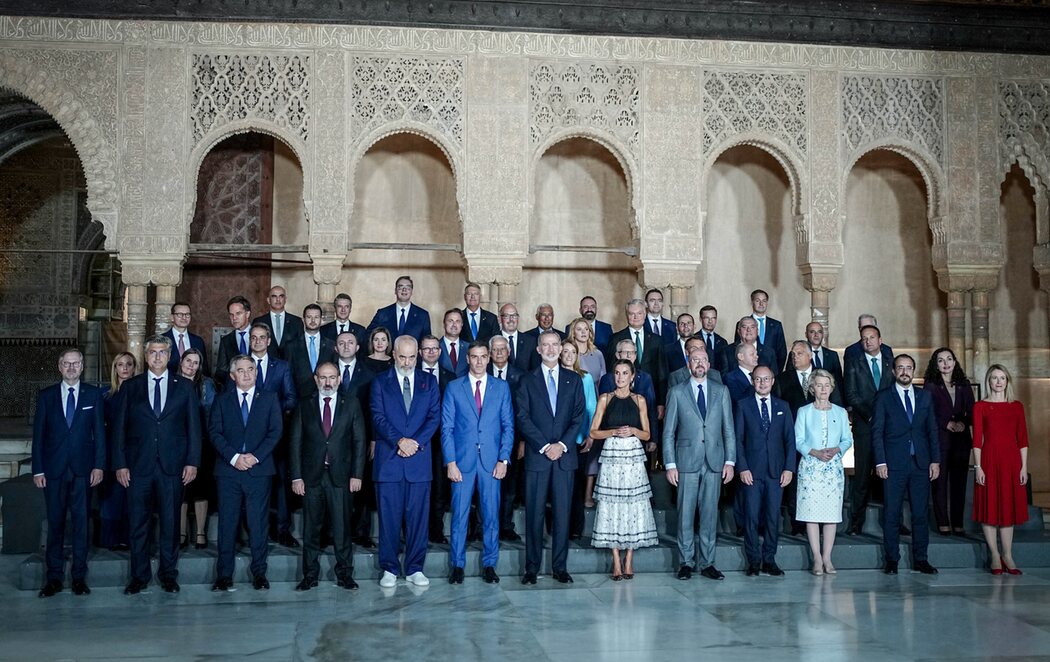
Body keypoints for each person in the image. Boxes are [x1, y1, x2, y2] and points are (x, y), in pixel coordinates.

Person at [114, 335, 201, 594]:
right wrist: (120, 464)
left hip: (172, 466)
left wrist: (192, 462)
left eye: (163, 352)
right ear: (145, 355)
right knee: (138, 523)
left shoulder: (184, 387)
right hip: (138, 467)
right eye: (153, 352)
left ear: (170, 355)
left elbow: (194, 429)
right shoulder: (131, 387)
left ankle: (168, 575)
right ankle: (139, 576)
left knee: (171, 523)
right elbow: (119, 429)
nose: (158, 357)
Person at [32, 348, 105, 597]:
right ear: (60, 366)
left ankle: (78, 578)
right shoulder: (47, 396)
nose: (71, 368)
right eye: (67, 363)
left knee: (82, 524)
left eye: (76, 363)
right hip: (53, 470)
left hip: (83, 470)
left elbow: (100, 435)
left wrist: (99, 465)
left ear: (82, 366)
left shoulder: (93, 395)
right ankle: (53, 578)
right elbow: (39, 437)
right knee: (55, 524)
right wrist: (38, 469)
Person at [289, 362, 367, 591]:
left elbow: (359, 441)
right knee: (311, 529)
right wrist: (296, 477)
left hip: (341, 477)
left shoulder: (351, 404)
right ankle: (309, 575)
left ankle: (345, 575)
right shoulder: (305, 405)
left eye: (332, 377)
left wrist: (357, 474)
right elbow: (295, 443)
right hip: (312, 477)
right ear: (316, 379)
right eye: (323, 377)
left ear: (339, 379)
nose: (328, 382)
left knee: (342, 530)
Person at [208, 355, 283, 591]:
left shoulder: (269, 399)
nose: (247, 374)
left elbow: (275, 431)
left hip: (258, 470)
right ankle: (224, 575)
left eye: (251, 369)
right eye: (241, 370)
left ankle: (259, 573)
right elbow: (215, 433)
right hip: (229, 472)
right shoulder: (222, 400)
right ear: (232, 376)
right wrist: (234, 458)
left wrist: (254, 457)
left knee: (258, 524)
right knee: (227, 523)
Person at [370, 335, 441, 587]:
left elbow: (434, 417)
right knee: (388, 519)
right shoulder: (380, 382)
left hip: (418, 462)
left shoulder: (429, 382)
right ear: (393, 355)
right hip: (389, 461)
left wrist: (415, 443)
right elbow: (377, 417)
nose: (408, 361)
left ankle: (414, 568)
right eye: (403, 356)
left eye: (412, 356)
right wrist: (400, 441)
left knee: (418, 520)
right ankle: (389, 568)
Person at [516, 330, 585, 585]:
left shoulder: (573, 379)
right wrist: (546, 446)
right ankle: (531, 568)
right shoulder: (527, 380)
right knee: (534, 513)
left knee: (562, 514)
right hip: (538, 456)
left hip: (565, 458)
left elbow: (578, 417)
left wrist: (562, 445)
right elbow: (522, 417)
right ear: (538, 349)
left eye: (555, 344)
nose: (551, 349)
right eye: (546, 345)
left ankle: (560, 567)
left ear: (561, 347)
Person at [441, 342, 514, 584]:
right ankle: (457, 565)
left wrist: (504, 459)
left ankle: (490, 564)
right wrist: (450, 461)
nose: (480, 361)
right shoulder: (454, 388)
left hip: (492, 462)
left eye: (484, 356)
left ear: (490, 358)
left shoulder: (501, 388)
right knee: (459, 516)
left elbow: (508, 427)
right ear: (468, 359)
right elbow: (447, 428)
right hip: (462, 462)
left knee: (491, 516)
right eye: (475, 357)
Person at [663, 348, 735, 581]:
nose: (700, 364)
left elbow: (728, 430)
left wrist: (730, 461)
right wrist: (670, 464)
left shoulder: (721, 391)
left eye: (703, 360)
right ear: (689, 364)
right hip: (686, 461)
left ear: (709, 363)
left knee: (709, 514)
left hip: (714, 461)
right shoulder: (676, 392)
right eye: (695, 360)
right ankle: (686, 562)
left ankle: (707, 563)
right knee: (685, 514)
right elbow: (668, 433)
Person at [589, 359, 658, 580]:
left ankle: (629, 558)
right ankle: (616, 561)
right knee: (612, 506)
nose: (620, 377)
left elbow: (647, 434)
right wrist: (612, 433)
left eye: (625, 373)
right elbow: (593, 431)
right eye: (617, 373)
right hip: (611, 456)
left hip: (633, 458)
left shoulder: (639, 400)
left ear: (632, 376)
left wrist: (634, 431)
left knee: (633, 505)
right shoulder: (605, 398)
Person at [872, 354, 940, 575]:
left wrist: (935, 460)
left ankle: (921, 559)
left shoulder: (925, 396)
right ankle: (892, 560)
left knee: (920, 514)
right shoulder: (883, 397)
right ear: (893, 371)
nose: (904, 371)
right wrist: (880, 461)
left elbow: (932, 431)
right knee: (892, 514)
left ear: (914, 370)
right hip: (893, 464)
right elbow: (877, 432)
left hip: (920, 463)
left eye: (908, 368)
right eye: (900, 367)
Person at [735, 366, 795, 576]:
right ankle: (753, 560)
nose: (762, 383)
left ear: (773, 381)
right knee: (750, 517)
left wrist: (789, 468)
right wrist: (742, 467)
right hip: (751, 471)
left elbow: (790, 440)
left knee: (772, 517)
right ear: (753, 381)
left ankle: (769, 559)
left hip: (776, 472)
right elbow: (738, 441)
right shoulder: (743, 406)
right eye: (758, 379)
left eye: (766, 379)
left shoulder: (783, 406)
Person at [794, 369, 853, 575]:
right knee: (811, 513)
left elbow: (847, 439)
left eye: (827, 385)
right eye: (819, 385)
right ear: (812, 388)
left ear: (832, 387)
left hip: (833, 469)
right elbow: (798, 440)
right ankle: (816, 558)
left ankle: (827, 557)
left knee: (830, 514)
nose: (823, 389)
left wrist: (837, 449)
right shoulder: (804, 412)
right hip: (811, 467)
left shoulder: (840, 412)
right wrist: (815, 452)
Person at [972, 364, 1029, 575]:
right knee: (990, 508)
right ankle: (995, 555)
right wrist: (978, 467)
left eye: (1002, 378)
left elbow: (1023, 439)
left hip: (1012, 462)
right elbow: (977, 440)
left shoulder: (1017, 406)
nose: (998, 382)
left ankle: (1008, 554)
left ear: (1007, 381)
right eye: (994, 378)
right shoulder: (981, 406)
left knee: (1007, 510)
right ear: (989, 381)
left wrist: (1024, 467)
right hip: (988, 461)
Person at [247, 323, 300, 547]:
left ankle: (282, 529)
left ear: (269, 341)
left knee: (280, 482)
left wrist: (269, 410)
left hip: (276, 435)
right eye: (254, 337)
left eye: (262, 337)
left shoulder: (281, 366)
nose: (257, 341)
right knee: (251, 483)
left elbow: (291, 397)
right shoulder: (242, 364)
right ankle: (253, 530)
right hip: (246, 435)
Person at [842, 324, 894, 535]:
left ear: (880, 340)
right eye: (864, 338)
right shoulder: (854, 362)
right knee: (862, 476)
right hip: (865, 425)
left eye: (872, 337)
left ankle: (895, 520)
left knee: (890, 475)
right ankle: (856, 522)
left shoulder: (892, 361)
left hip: (890, 428)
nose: (868, 341)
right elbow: (851, 394)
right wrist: (872, 416)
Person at [922, 347, 975, 535]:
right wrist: (947, 423)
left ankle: (958, 522)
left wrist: (963, 423)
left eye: (949, 359)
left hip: (961, 441)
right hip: (940, 440)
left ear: (954, 362)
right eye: (941, 360)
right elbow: (927, 413)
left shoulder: (964, 384)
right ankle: (943, 522)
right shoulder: (931, 385)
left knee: (959, 483)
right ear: (936, 365)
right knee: (940, 483)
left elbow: (972, 411)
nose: (946, 363)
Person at [418, 335, 456, 544]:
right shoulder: (412, 374)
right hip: (417, 440)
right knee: (418, 487)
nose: (431, 352)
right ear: (421, 352)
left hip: (442, 440)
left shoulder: (450, 377)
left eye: (435, 349)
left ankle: (436, 530)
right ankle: (416, 530)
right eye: (427, 349)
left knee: (440, 488)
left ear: (440, 352)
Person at [177, 348, 216, 551]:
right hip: (177, 444)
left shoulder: (207, 385)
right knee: (182, 489)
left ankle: (200, 532)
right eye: (188, 361)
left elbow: (212, 414)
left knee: (201, 489)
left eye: (196, 362)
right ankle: (182, 531)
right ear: (181, 362)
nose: (191, 365)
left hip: (203, 442)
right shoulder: (172, 383)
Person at [488, 335, 526, 541]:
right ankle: (482, 526)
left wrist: (521, 441)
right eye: (496, 349)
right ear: (490, 353)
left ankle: (505, 526)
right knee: (485, 484)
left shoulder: (520, 377)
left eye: (504, 349)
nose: (500, 352)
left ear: (509, 352)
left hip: (512, 440)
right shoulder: (481, 374)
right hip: (486, 440)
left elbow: (522, 412)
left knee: (509, 486)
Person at [99, 352, 136, 551]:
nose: (124, 368)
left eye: (128, 364)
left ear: (134, 367)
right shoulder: (105, 395)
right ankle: (110, 538)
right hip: (111, 451)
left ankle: (129, 538)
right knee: (112, 495)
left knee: (131, 495)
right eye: (120, 364)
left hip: (135, 451)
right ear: (114, 368)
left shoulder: (141, 393)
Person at [561, 339, 598, 538]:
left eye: (572, 352)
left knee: (577, 485)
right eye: (565, 351)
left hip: (579, 440)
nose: (568, 355)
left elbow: (591, 408)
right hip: (558, 441)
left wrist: (590, 435)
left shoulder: (586, 378)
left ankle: (575, 529)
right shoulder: (554, 376)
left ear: (577, 355)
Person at [605, 298, 667, 408]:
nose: (635, 317)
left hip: (650, 397)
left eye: (639, 313)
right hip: (622, 399)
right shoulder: (615, 339)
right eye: (631, 313)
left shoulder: (656, 340)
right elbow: (611, 369)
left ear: (645, 314)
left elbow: (661, 373)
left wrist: (661, 403)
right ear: (626, 315)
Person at [289, 303, 336, 396]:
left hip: (325, 395)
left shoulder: (331, 345)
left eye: (316, 317)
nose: (313, 320)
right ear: (303, 320)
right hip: (300, 397)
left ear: (321, 320)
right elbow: (288, 376)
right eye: (309, 317)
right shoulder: (291, 346)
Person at [368, 275, 432, 342]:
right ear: (395, 291)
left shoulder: (423, 315)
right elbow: (369, 334)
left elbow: (427, 342)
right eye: (400, 287)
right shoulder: (383, 313)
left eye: (408, 287)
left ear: (411, 291)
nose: (404, 290)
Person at [252, 285, 303, 359]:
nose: (278, 299)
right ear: (268, 300)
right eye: (274, 296)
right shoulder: (259, 321)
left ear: (285, 299)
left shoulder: (297, 321)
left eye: (281, 296)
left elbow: (300, 347)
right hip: (267, 366)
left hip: (290, 366)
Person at [214, 295, 253, 388]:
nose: (234, 318)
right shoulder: (226, 340)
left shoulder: (259, 336)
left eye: (238, 313)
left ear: (247, 314)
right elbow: (221, 371)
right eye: (231, 315)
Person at [163, 302, 208, 375]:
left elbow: (204, 369)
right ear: (172, 317)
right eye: (180, 314)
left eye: (187, 314)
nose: (184, 318)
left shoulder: (198, 341)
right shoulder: (162, 340)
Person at [747, 289, 787, 372]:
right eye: (758, 301)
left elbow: (782, 352)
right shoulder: (743, 324)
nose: (761, 304)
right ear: (752, 302)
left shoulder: (776, 325)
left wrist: (776, 372)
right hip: (749, 370)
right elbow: (738, 348)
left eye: (764, 301)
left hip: (771, 370)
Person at [498, 303, 538, 372]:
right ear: (499, 319)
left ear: (518, 318)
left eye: (514, 316)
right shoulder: (492, 340)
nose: (511, 320)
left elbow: (535, 369)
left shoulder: (530, 341)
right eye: (506, 316)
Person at [568, 316, 606, 383]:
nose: (583, 332)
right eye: (579, 329)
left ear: (589, 332)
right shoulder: (569, 354)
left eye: (586, 329)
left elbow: (603, 381)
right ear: (573, 333)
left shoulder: (598, 354)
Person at [698, 305, 729, 374]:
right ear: (700, 319)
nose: (710, 321)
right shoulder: (694, 339)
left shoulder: (722, 341)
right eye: (707, 318)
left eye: (713, 318)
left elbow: (725, 366)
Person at [439, 308, 470, 377]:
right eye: (450, 321)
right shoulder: (436, 347)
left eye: (458, 321)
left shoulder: (469, 348)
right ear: (444, 324)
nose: (454, 325)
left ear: (462, 324)